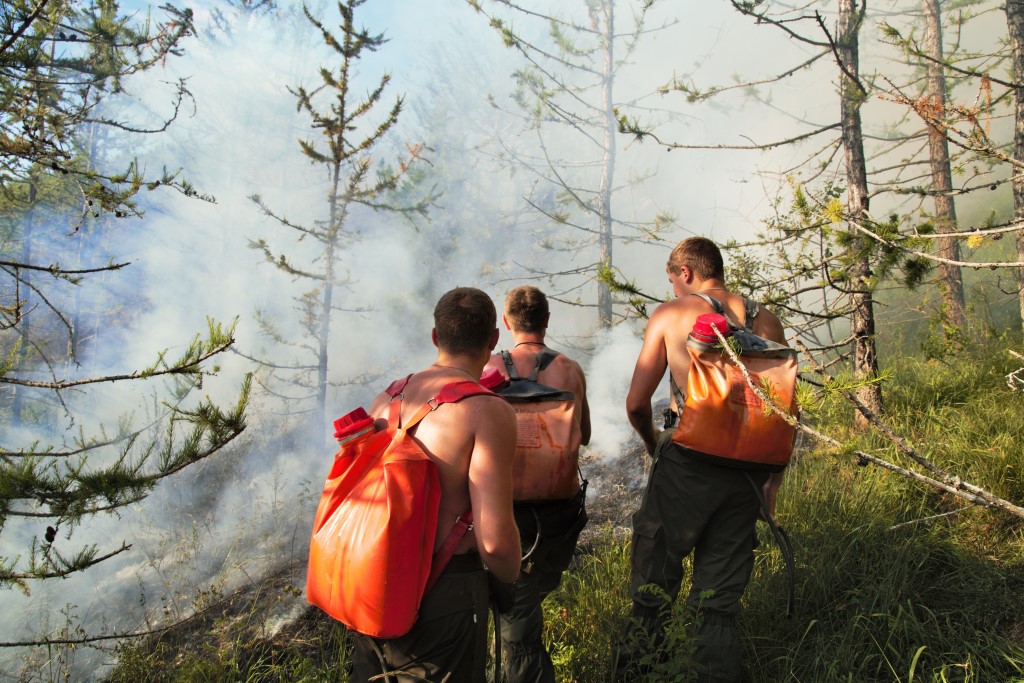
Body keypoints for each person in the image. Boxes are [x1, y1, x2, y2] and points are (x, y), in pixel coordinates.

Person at [615, 237, 788, 683]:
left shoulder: (672, 315)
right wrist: (772, 483)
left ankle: (640, 675)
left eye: (672, 279)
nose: (673, 288)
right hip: (748, 471)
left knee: (653, 586)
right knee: (718, 606)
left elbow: (636, 403)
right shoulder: (766, 320)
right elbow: (787, 410)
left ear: (686, 273)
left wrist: (657, 444)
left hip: (688, 461)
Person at [349, 287, 522, 683]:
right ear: (494, 340)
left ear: (434, 337)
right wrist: (511, 580)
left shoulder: (385, 400)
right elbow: (495, 543)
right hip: (444, 596)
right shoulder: (486, 411)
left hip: (372, 585)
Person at [484, 285, 591, 683]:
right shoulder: (569, 370)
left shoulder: (486, 370)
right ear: (546, 321)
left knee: (517, 624)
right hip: (558, 516)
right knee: (525, 607)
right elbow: (586, 433)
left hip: (505, 513)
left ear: (507, 322)